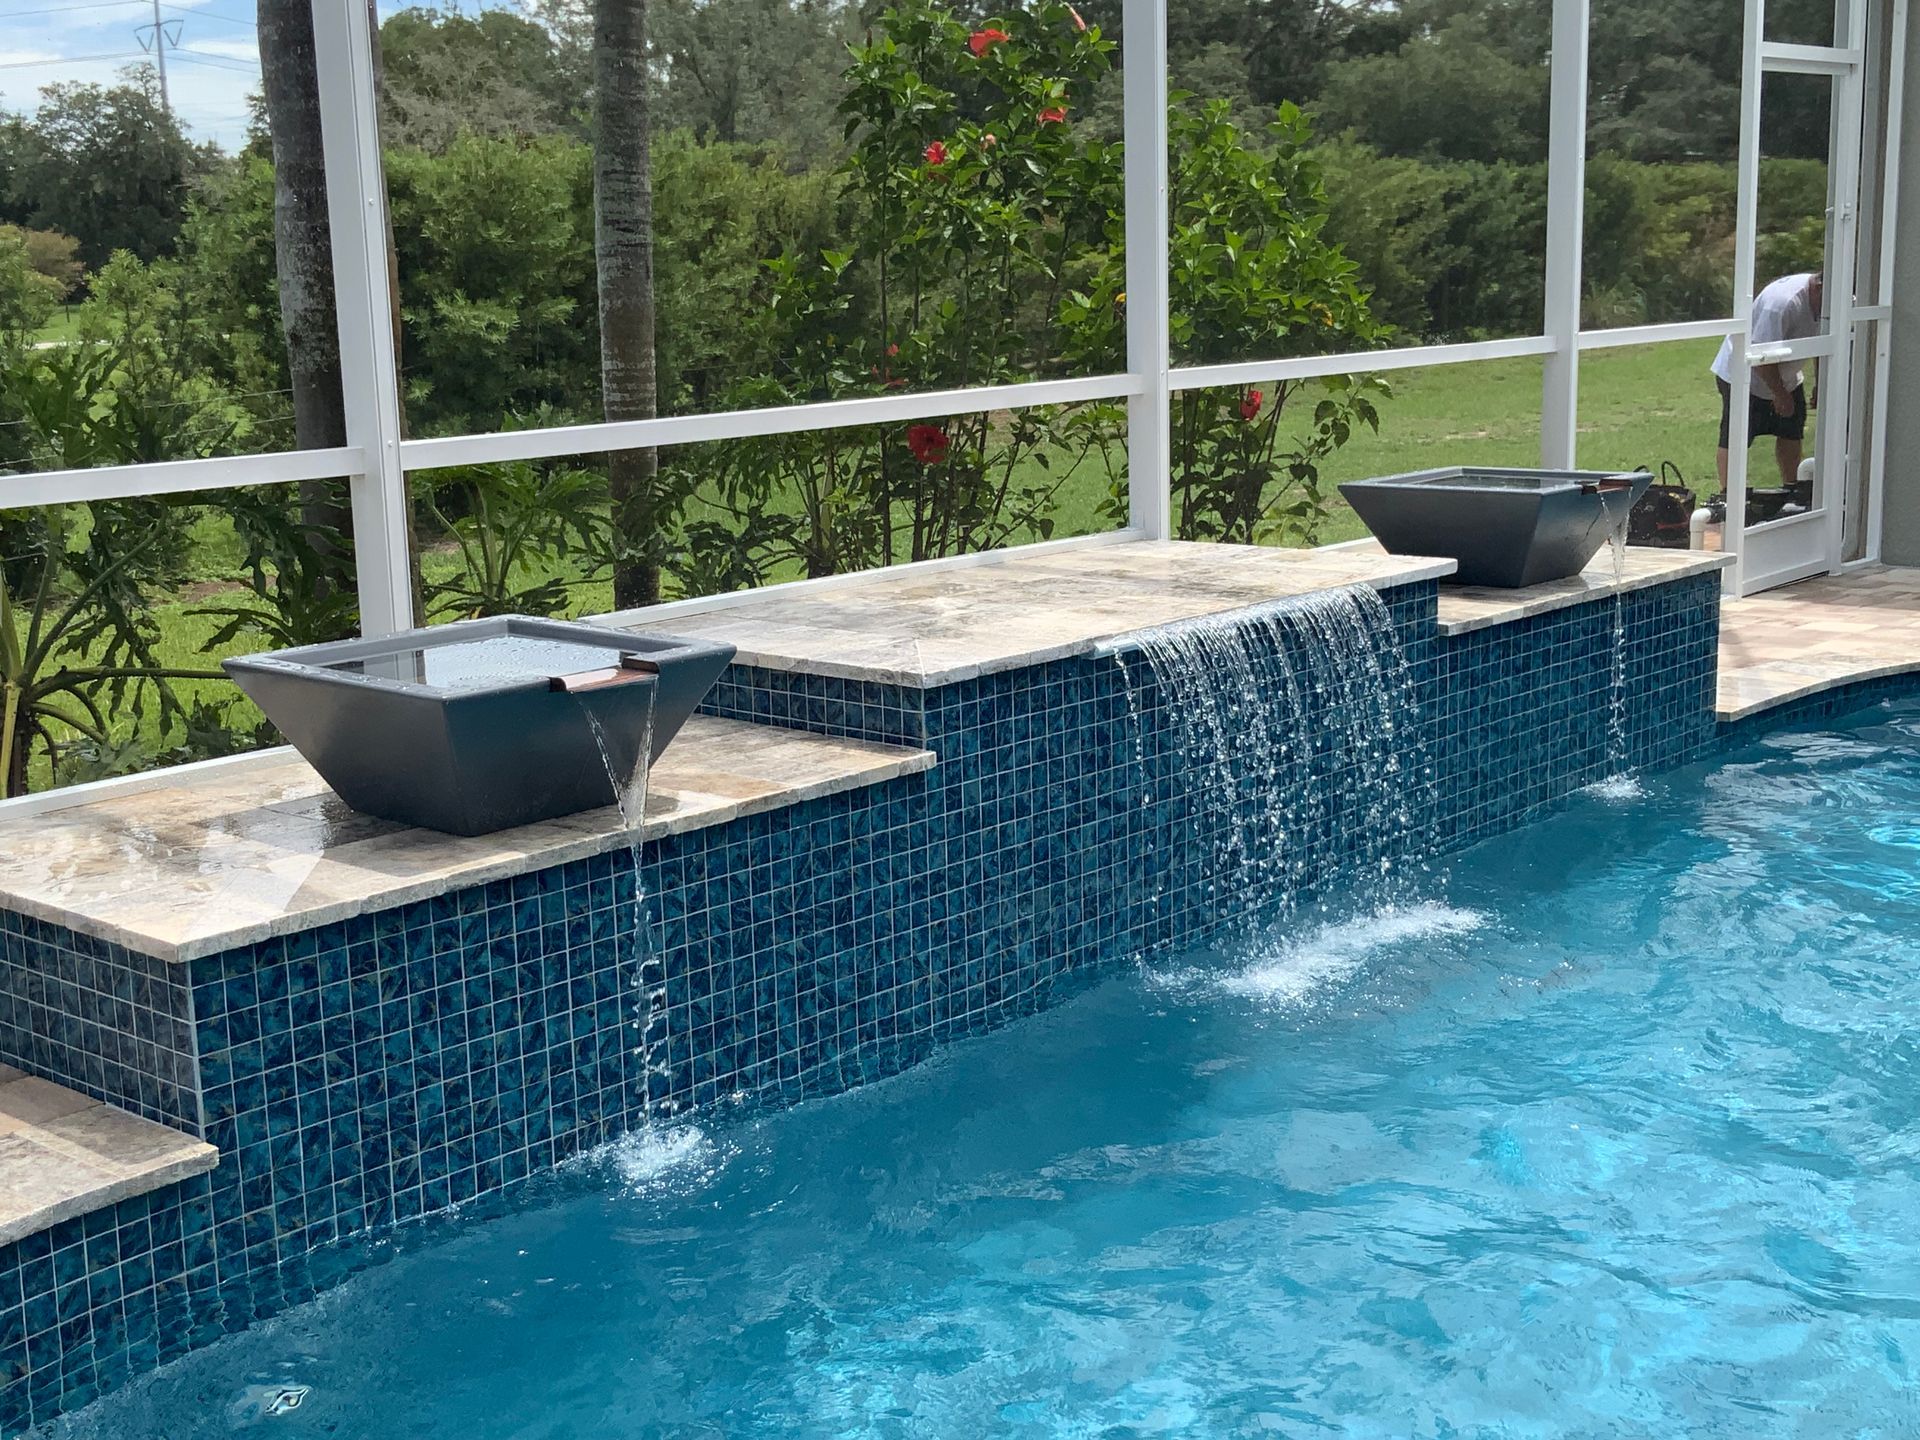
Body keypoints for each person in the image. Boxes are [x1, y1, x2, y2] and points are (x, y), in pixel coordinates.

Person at [1712, 272, 1821, 492]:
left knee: (1791, 432)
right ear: (1818, 287)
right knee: (1735, 437)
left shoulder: (1833, 302)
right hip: (1744, 373)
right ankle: (1729, 495)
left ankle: (1792, 490)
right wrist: (1780, 394)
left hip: (1787, 375)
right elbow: (1759, 355)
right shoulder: (1781, 304)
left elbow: (1822, 343)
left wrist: (1821, 384)